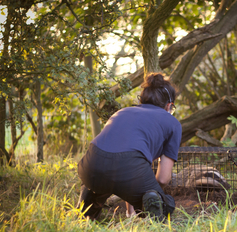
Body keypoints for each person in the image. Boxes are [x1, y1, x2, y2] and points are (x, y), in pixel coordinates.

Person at [77, 73, 182, 220]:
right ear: (169, 106)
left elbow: (119, 152)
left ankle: (88, 204)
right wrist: (153, 192)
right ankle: (155, 216)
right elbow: (163, 179)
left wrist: (130, 212)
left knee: (108, 174)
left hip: (90, 165)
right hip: (130, 167)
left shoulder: (122, 112)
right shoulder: (172, 123)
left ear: (141, 99)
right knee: (165, 205)